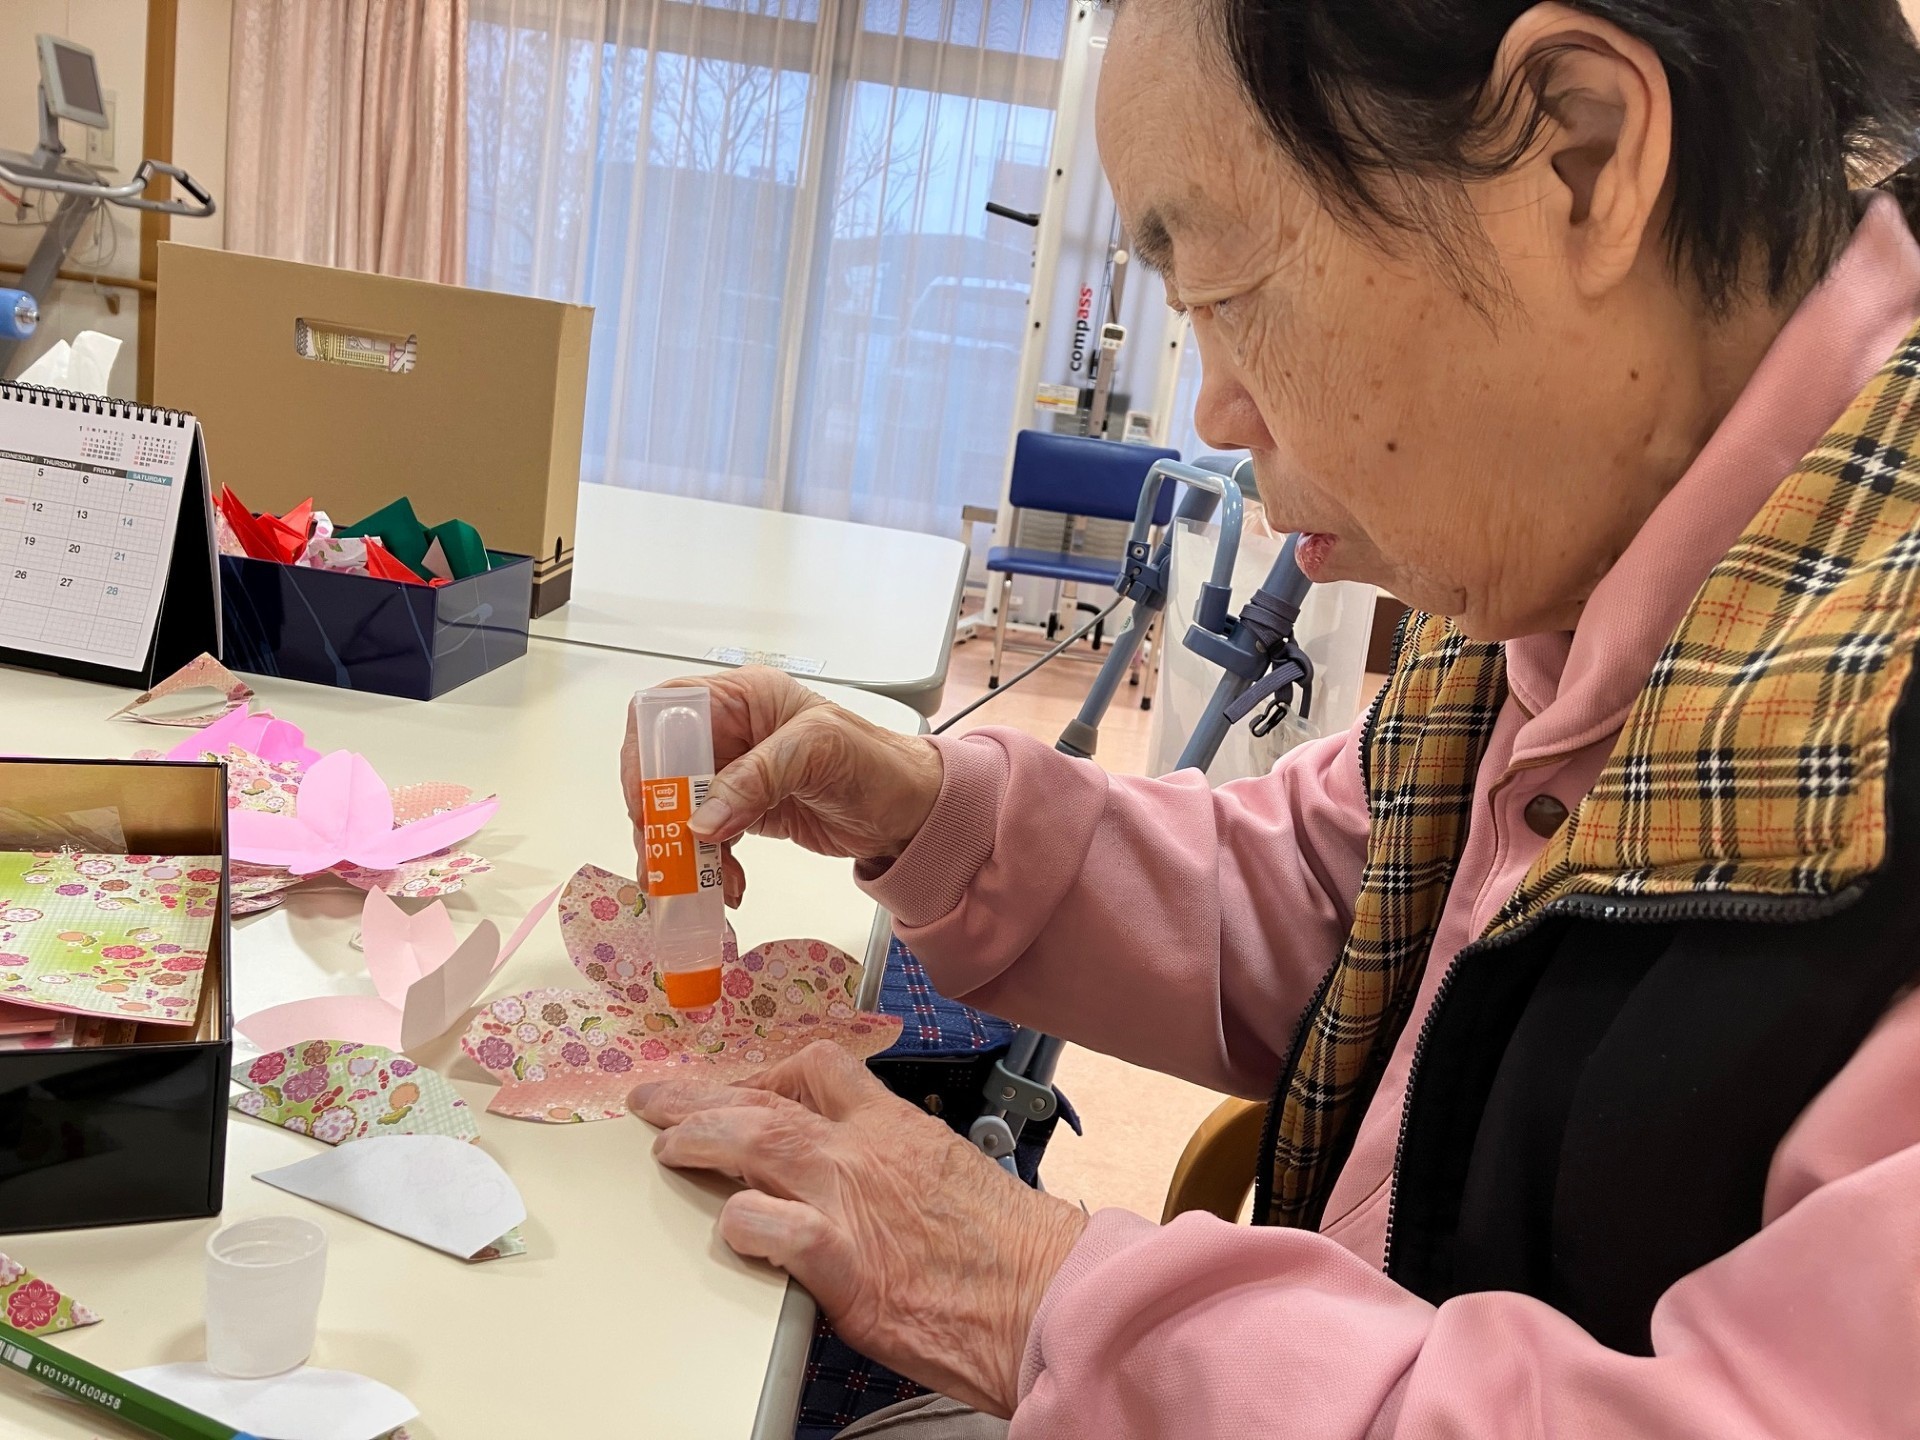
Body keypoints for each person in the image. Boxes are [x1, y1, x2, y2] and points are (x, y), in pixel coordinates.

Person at [625, 1, 1920, 1434]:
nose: (1217, 407)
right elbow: (1322, 900)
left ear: (1580, 156)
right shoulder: (1577, 577)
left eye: (1232, 291)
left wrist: (1044, 1292)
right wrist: (926, 806)